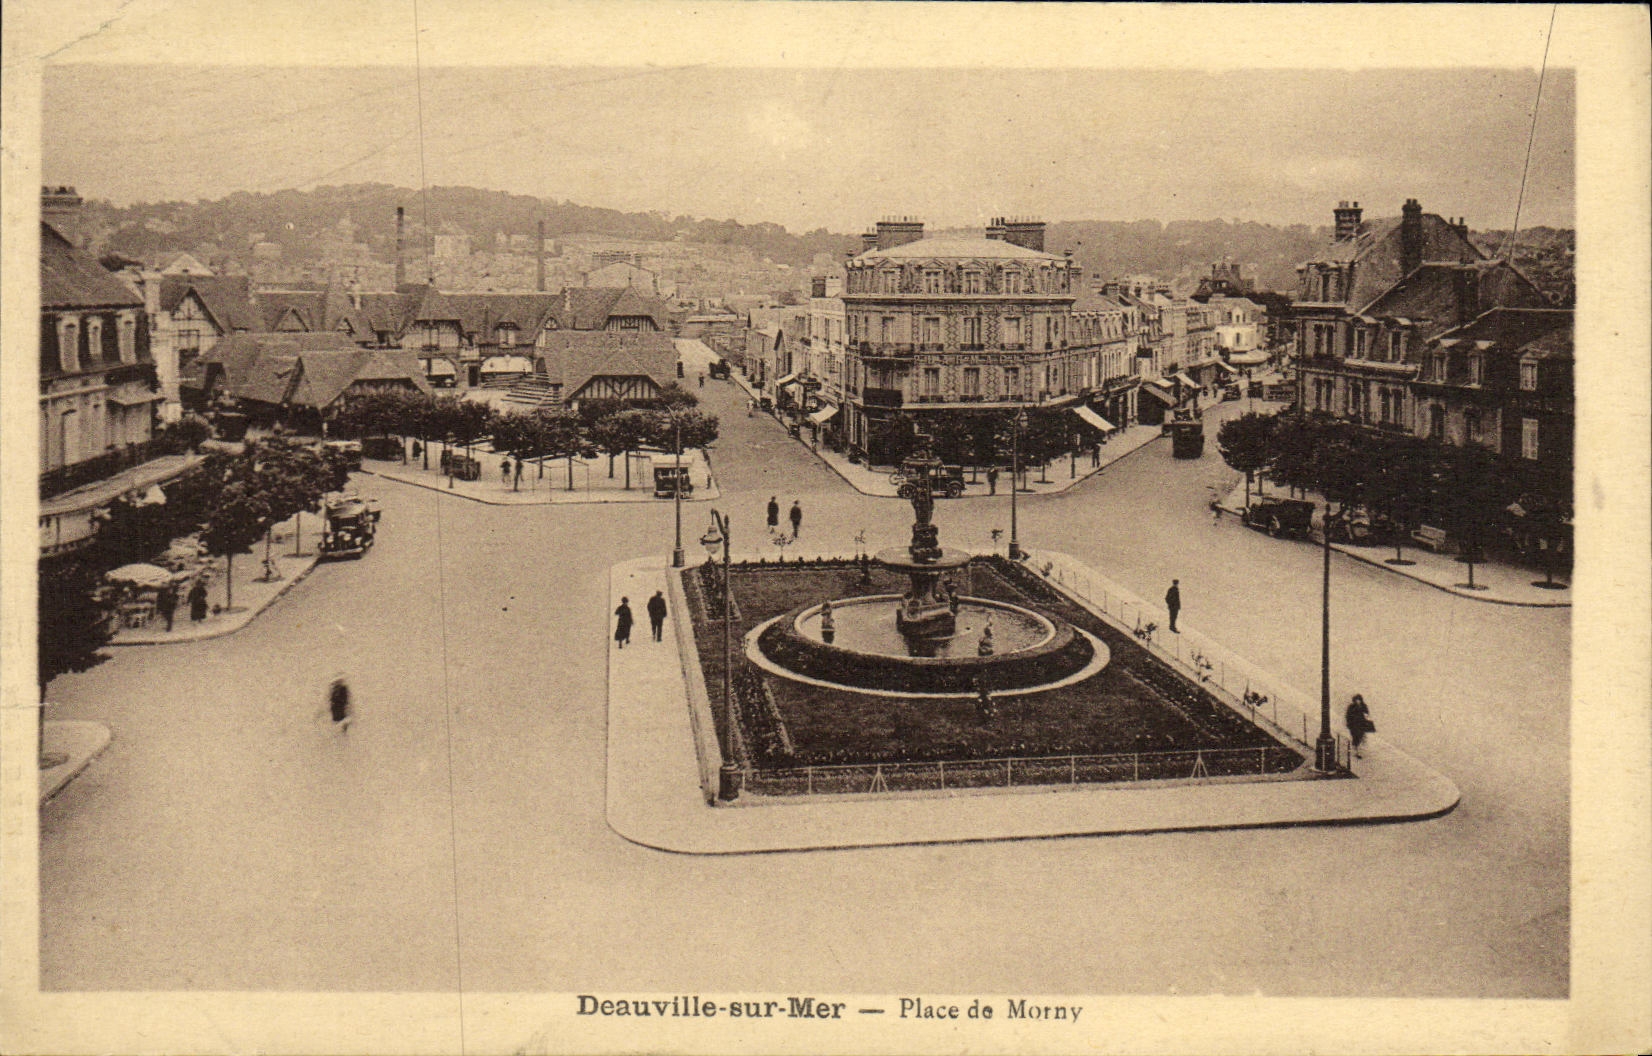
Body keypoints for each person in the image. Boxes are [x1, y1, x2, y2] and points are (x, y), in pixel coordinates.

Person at [1346, 694, 1375, 758]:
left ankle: (1358, 752)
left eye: (1359, 700)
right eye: (1357, 700)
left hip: (1361, 725)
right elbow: (1348, 716)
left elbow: (1367, 714)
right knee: (1355, 737)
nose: (1358, 701)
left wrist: (1366, 718)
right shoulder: (1351, 707)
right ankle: (1356, 750)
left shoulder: (1364, 706)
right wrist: (1349, 723)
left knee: (1360, 737)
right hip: (1354, 725)